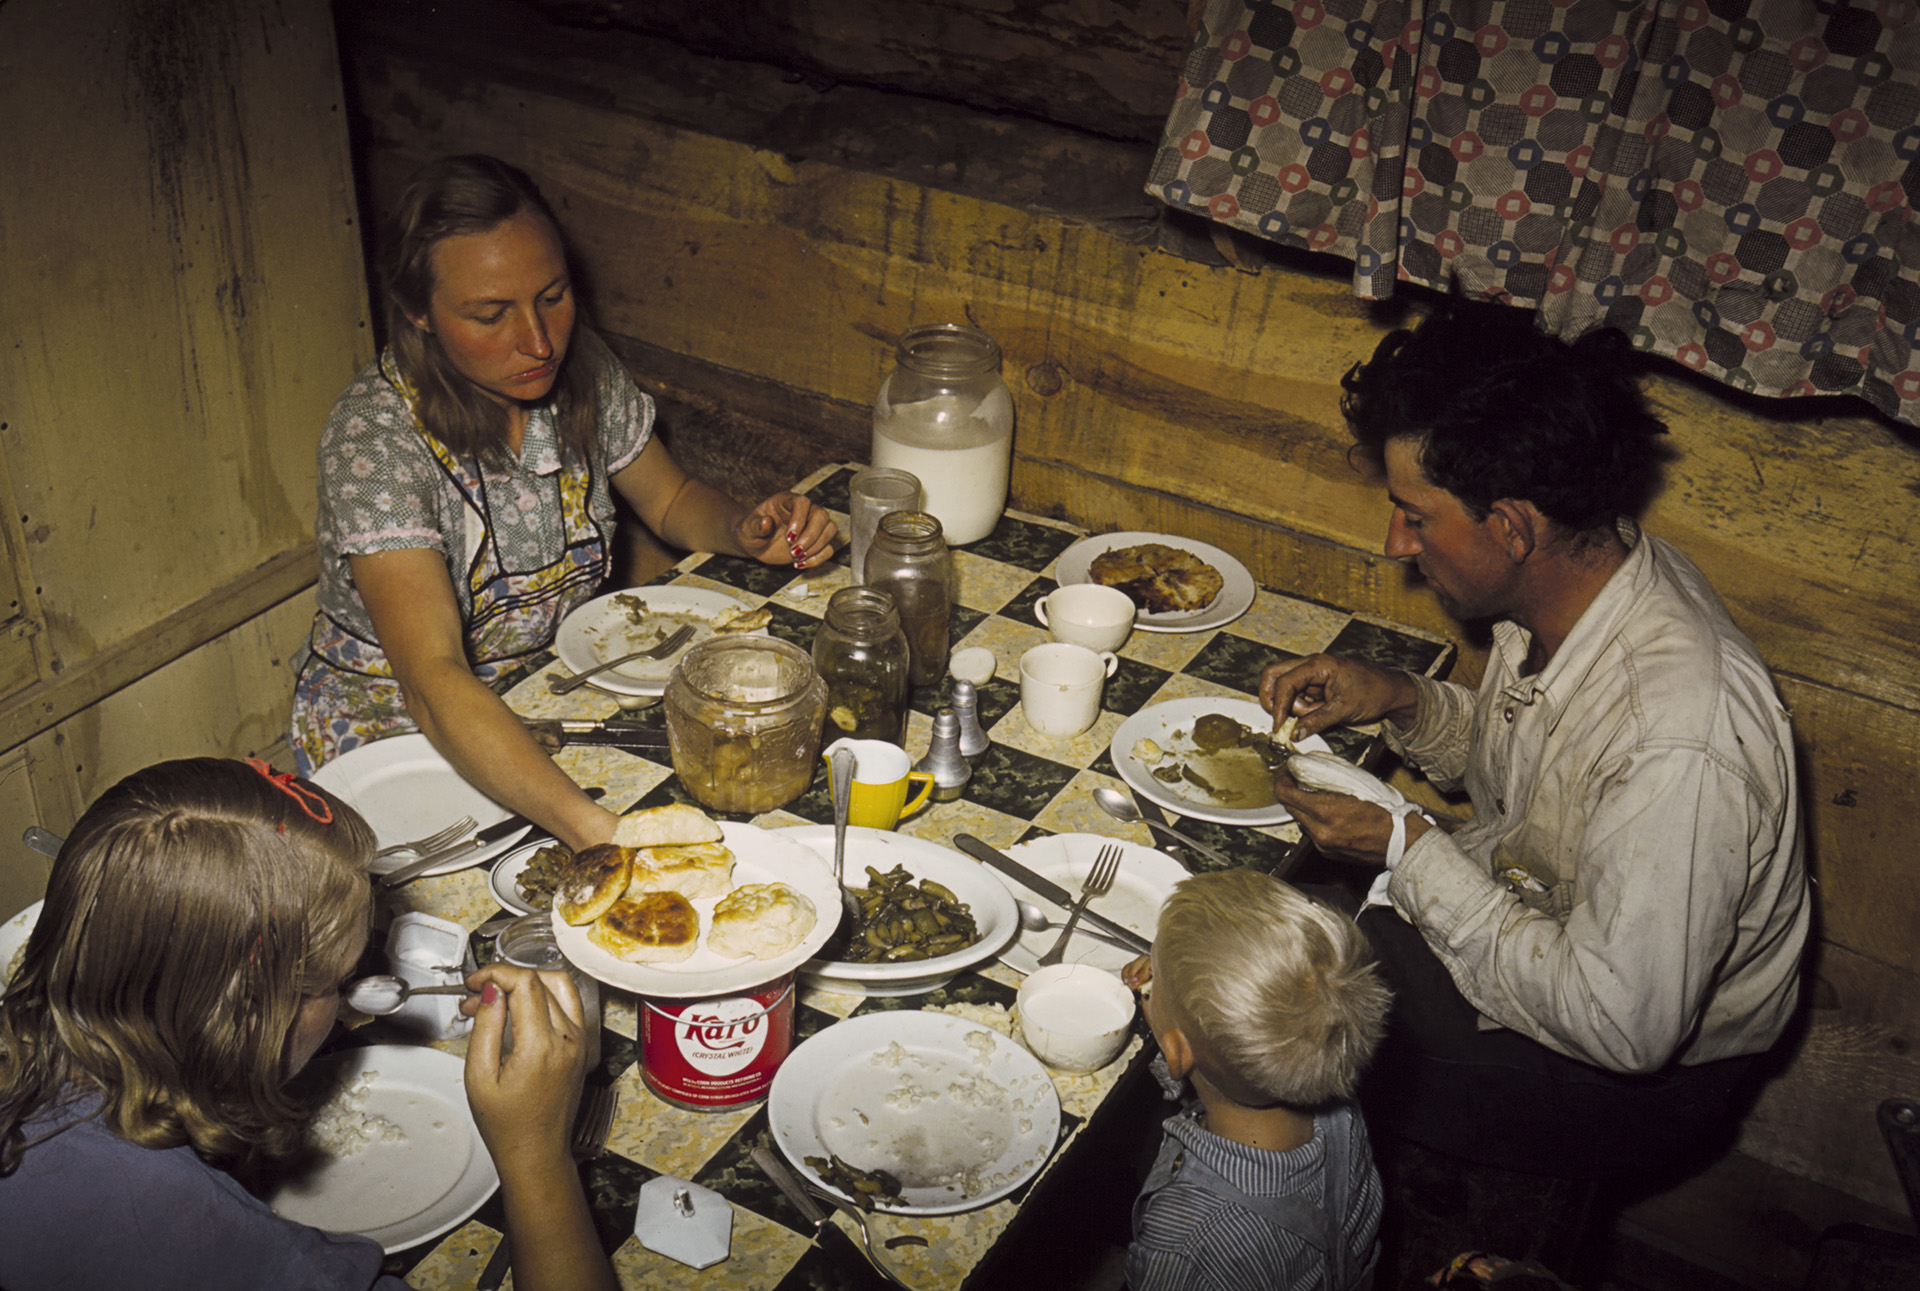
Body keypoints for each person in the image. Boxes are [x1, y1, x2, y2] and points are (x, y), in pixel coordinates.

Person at [1258, 297, 1810, 1181]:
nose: (1395, 542)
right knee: (1266, 899)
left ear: (1512, 527)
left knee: (1251, 1008)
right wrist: (1400, 699)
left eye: (1415, 514)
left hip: (1627, 1079)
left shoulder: (1683, 738)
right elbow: (1543, 775)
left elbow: (1623, 1026)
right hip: (1545, 926)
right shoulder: (1584, 582)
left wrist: (1410, 845)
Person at [291, 154, 836, 851]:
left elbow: (669, 499)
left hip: (542, 691)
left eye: (553, 295)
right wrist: (595, 831)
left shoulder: (577, 369)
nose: (539, 340)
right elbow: (433, 679)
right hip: (396, 734)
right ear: (416, 313)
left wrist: (743, 527)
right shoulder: (375, 443)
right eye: (491, 314)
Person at [0, 758, 616, 1291]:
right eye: (341, 983)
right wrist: (538, 1156)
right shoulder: (163, 1219)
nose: (350, 1005)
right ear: (245, 1019)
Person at [1120, 870, 1391, 1291]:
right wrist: (1176, 1006)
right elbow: (1209, 1065)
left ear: (1175, 1052)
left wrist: (1173, 1009)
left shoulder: (1186, 1242)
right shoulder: (1330, 1086)